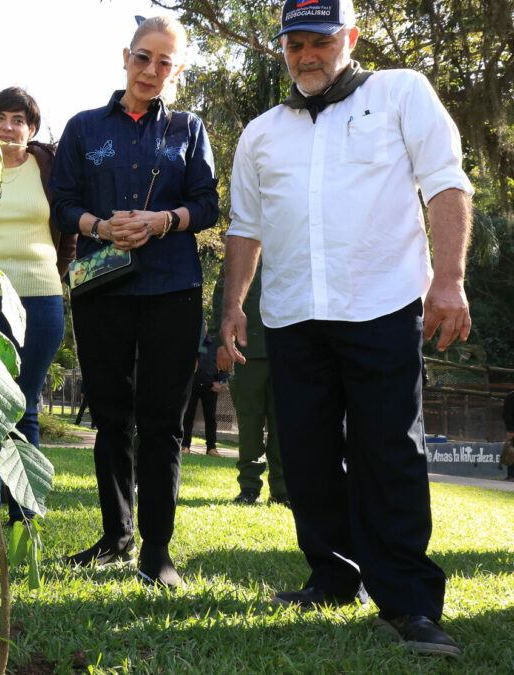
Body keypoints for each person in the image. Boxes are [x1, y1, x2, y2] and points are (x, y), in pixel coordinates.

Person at [219, 0, 472, 657]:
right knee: (305, 455)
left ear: (350, 38)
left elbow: (447, 183)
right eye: (294, 44)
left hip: (382, 307)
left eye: (320, 41)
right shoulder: (261, 132)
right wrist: (233, 307)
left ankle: (411, 603)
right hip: (294, 316)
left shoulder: (399, 93)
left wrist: (449, 280)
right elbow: (245, 227)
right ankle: (334, 576)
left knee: (388, 451)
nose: (306, 55)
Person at [51, 15, 219, 589]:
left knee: (163, 421)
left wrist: (164, 220)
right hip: (103, 288)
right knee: (112, 416)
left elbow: (207, 205)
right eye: (144, 57)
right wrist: (99, 226)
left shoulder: (190, 130)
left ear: (177, 69)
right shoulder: (82, 127)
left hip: (172, 286)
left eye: (165, 63)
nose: (152, 71)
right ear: (126, 55)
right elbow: (64, 205)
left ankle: (157, 550)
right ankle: (114, 535)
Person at [0, 87, 76, 534]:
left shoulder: (48, 167)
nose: (8, 127)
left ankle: (26, 512)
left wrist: (54, 277)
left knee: (24, 407)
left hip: (42, 297)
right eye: (0, 118)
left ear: (32, 128)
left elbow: (67, 232)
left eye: (18, 120)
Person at [212, 264, 288, 506]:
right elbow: (222, 297)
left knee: (283, 424)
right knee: (248, 422)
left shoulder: (292, 245)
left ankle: (282, 489)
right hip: (247, 351)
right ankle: (249, 487)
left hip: (286, 350)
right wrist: (221, 343)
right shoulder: (243, 247)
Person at [181, 330, 226, 456]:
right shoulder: (190, 341)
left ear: (206, 327)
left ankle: (211, 448)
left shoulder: (215, 344)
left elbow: (224, 362)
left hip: (210, 386)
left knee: (210, 418)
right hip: (192, 385)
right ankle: (185, 446)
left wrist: (220, 381)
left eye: (204, 324)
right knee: (188, 416)